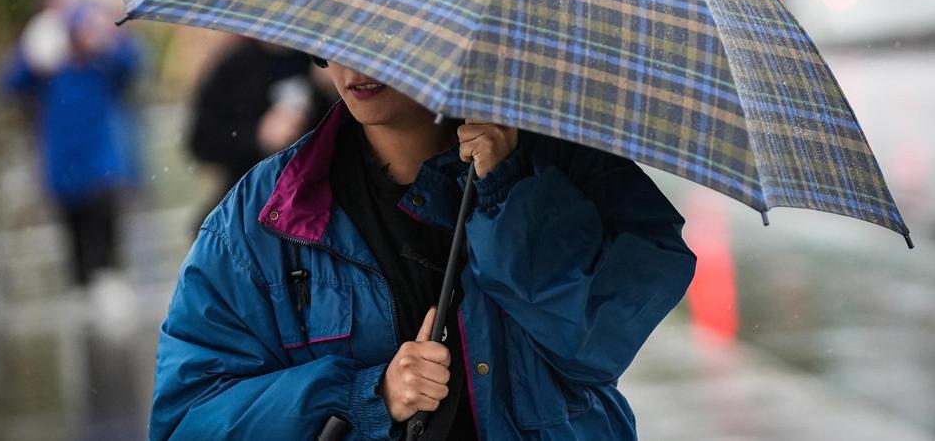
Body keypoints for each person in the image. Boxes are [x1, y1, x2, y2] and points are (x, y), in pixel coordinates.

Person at [150, 59, 696, 440]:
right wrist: (367, 394)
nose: (356, 61)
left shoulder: (565, 166)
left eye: (381, 29)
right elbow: (190, 418)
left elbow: (594, 345)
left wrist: (511, 193)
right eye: (338, 30)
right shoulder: (263, 217)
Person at [3, 0, 141, 287]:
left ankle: (106, 288)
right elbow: (10, 84)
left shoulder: (103, 66)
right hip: (63, 173)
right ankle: (87, 293)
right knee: (77, 250)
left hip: (102, 170)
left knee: (105, 244)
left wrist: (113, 36)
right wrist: (30, 59)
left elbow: (133, 64)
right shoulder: (50, 71)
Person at [186, 38, 332, 230]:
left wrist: (330, 91)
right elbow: (201, 142)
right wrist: (258, 135)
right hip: (250, 201)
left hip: (316, 198)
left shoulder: (320, 64)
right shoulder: (233, 67)